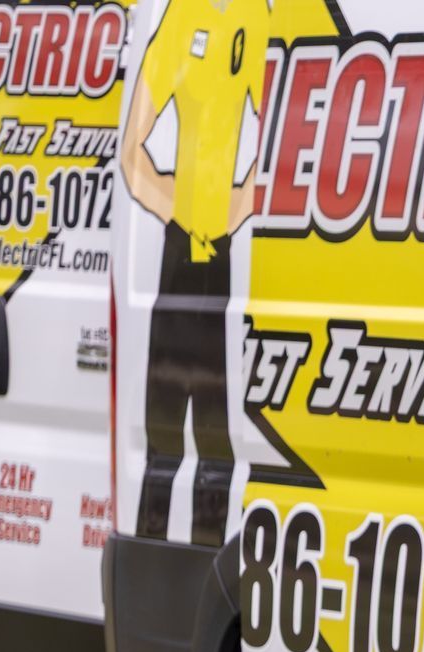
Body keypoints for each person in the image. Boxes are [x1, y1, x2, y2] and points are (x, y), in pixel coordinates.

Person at [118, 0, 269, 548]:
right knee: (159, 437)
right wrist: (180, 213)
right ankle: (151, 553)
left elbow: (284, 137)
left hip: (222, 258)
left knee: (217, 440)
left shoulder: (255, 19)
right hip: (176, 255)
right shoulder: (181, 16)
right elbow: (132, 154)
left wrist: (236, 208)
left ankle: (213, 553)